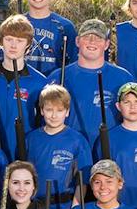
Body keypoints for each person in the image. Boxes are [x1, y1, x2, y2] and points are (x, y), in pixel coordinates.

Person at [51, 18, 132, 148]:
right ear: (77, 41)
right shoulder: (58, 77)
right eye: (86, 36)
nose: (92, 41)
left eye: (98, 38)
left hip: (109, 150)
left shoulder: (123, 78)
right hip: (67, 150)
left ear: (106, 44)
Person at [0, 14, 48, 164]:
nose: (13, 45)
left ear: (28, 45)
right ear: (1, 42)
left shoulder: (40, 82)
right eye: (9, 39)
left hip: (25, 156)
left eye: (19, 41)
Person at [24, 84, 91, 201]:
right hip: (35, 206)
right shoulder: (31, 138)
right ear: (41, 110)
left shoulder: (78, 141)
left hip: (64, 206)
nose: (54, 115)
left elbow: (82, 182)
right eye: (49, 110)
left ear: (67, 112)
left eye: (60, 110)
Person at [22, 0, 76, 76]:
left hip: (53, 87)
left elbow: (73, 63)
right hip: (22, 87)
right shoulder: (16, 24)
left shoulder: (64, 26)